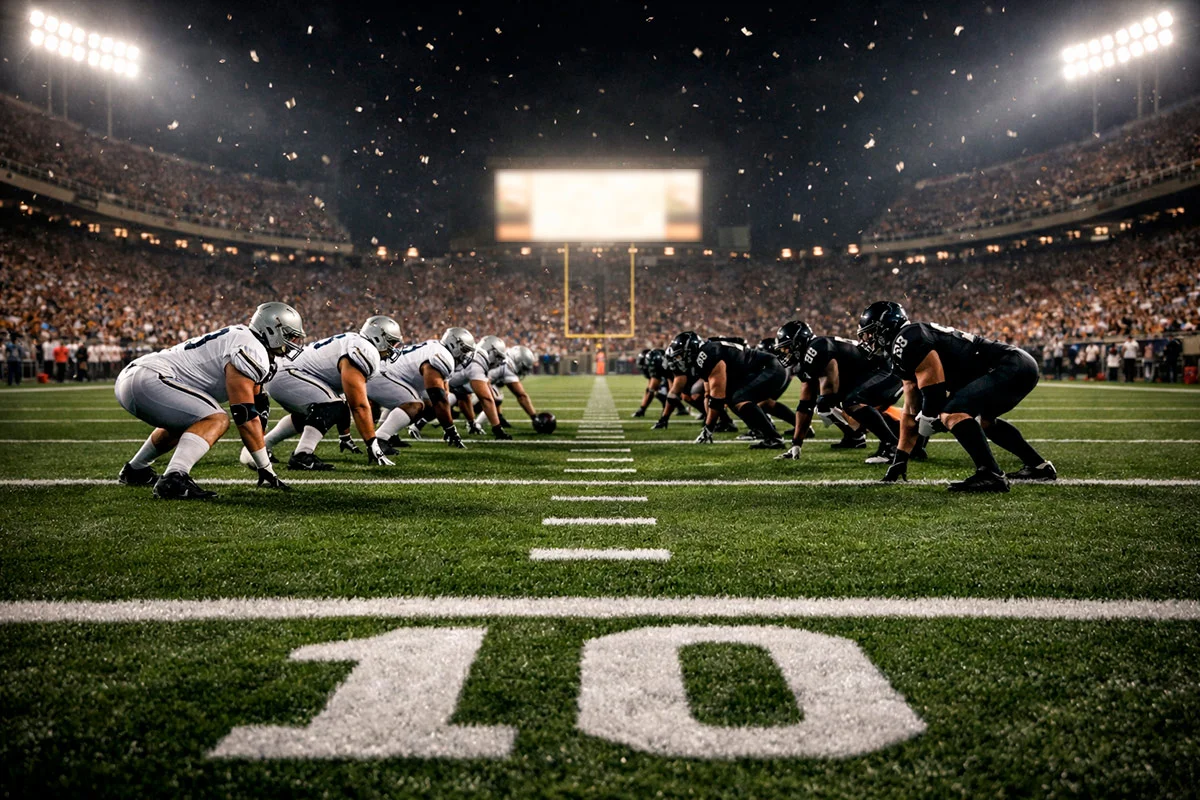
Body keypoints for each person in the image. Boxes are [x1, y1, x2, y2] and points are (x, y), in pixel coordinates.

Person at [857, 301, 1055, 493]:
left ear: (886, 326)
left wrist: (927, 418)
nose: (867, 339)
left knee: (952, 412)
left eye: (870, 332)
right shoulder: (902, 348)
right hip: (1015, 365)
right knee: (983, 422)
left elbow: (934, 393)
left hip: (1008, 365)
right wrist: (900, 458)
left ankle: (990, 474)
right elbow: (910, 410)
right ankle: (1038, 466)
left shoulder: (907, 339)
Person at [114, 302, 302, 499]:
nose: (293, 341)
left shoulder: (247, 341)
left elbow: (256, 403)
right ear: (271, 330)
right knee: (217, 418)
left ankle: (136, 470)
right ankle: (174, 477)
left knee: (190, 420)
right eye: (289, 335)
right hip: (151, 378)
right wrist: (265, 467)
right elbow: (244, 416)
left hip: (138, 377)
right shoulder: (250, 348)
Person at [258, 315, 403, 470]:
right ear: (379, 338)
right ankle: (302, 455)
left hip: (286, 372)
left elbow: (348, 404)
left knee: (314, 414)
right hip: (288, 373)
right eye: (392, 342)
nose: (393, 347)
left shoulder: (357, 343)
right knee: (332, 406)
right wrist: (372, 443)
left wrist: (345, 435)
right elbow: (358, 406)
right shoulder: (364, 350)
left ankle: (264, 446)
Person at [772, 319, 908, 465]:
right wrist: (796, 443)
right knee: (837, 403)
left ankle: (891, 446)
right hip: (875, 374)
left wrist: (826, 404)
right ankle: (900, 441)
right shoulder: (806, 360)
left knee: (842, 403)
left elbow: (830, 391)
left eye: (786, 349)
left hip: (887, 373)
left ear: (797, 344)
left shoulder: (817, 348)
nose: (784, 353)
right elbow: (805, 405)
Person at [664, 330, 787, 448]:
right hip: (762, 370)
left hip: (769, 368)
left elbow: (717, 398)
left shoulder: (708, 355)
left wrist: (708, 428)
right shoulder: (705, 354)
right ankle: (763, 432)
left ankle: (773, 438)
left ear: (690, 351)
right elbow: (710, 394)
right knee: (734, 398)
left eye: (680, 356)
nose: (679, 360)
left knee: (739, 398)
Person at [368, 327, 476, 450]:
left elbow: (443, 395)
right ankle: (381, 439)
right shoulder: (442, 356)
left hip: (388, 374)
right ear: (454, 344)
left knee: (427, 405)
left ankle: (390, 435)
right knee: (414, 405)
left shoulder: (437, 347)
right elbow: (438, 399)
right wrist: (450, 429)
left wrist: (446, 420)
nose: (466, 355)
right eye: (465, 350)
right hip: (381, 376)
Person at [444, 335, 513, 440]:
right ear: (490, 351)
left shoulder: (475, 354)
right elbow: (485, 399)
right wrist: (497, 429)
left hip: (447, 383)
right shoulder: (477, 360)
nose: (498, 361)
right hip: (436, 385)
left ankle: (471, 424)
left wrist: (472, 423)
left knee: (463, 394)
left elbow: (464, 395)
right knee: (443, 400)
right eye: (497, 356)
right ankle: (419, 423)